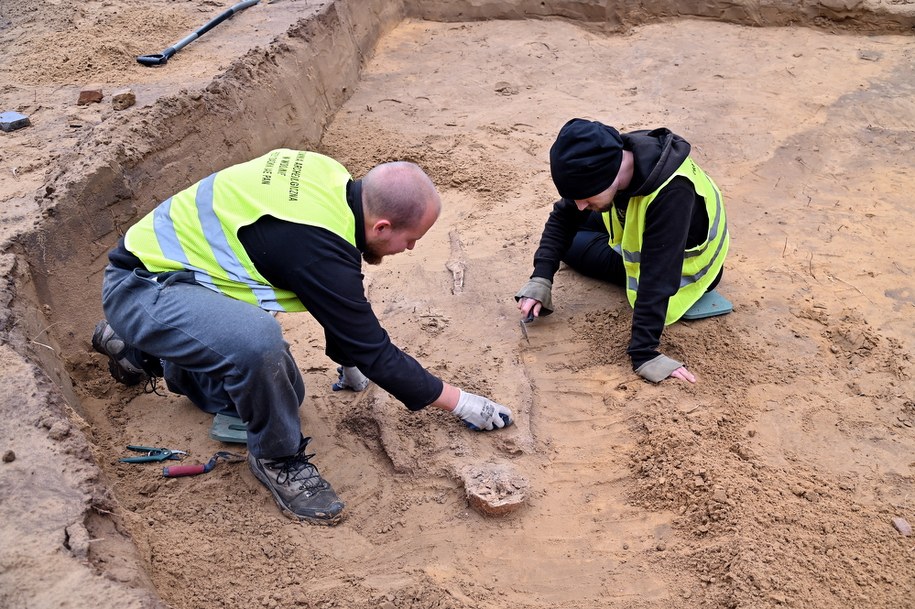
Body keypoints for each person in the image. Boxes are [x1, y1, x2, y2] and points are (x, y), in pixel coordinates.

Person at [92, 148, 513, 525]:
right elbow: (374, 348)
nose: (411, 248)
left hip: (183, 274)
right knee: (259, 346)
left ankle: (141, 351)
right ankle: (277, 458)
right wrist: (464, 403)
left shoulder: (329, 178)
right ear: (383, 226)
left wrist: (347, 363)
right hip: (142, 288)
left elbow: (335, 297)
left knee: (285, 392)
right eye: (411, 239)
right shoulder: (316, 247)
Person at [515, 118, 729, 384]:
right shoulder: (616, 154)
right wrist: (541, 278)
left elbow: (658, 276)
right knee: (571, 234)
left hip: (686, 270)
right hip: (647, 233)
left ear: (609, 175)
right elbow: (564, 216)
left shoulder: (672, 194)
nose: (580, 205)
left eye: (585, 197)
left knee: (573, 246)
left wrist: (644, 353)